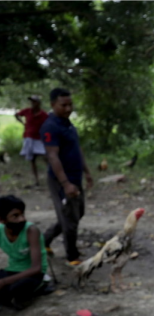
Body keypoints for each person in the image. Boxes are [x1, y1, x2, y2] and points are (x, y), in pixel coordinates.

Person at [40, 88, 93, 266]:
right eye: (64, 105)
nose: (68, 108)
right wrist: (65, 183)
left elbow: (77, 149)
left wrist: (87, 172)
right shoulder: (50, 126)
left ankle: (44, 239)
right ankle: (72, 256)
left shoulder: (68, 124)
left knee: (77, 214)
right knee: (70, 220)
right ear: (53, 104)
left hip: (75, 178)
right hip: (61, 180)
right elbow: (52, 156)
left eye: (70, 104)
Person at [0, 195, 48, 310]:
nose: (22, 219)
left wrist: (4, 281)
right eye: (15, 216)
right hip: (13, 270)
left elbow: (36, 268)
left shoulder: (31, 231)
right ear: (3, 220)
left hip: (33, 273)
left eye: (22, 214)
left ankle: (42, 285)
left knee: (18, 288)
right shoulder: (1, 231)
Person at [14, 95, 48, 187]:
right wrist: (22, 123)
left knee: (46, 157)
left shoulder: (43, 114)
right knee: (32, 159)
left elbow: (49, 125)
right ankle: (36, 180)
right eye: (32, 101)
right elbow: (17, 115)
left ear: (39, 103)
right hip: (29, 138)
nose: (33, 103)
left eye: (35, 101)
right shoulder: (27, 111)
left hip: (39, 139)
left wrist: (47, 136)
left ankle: (53, 176)